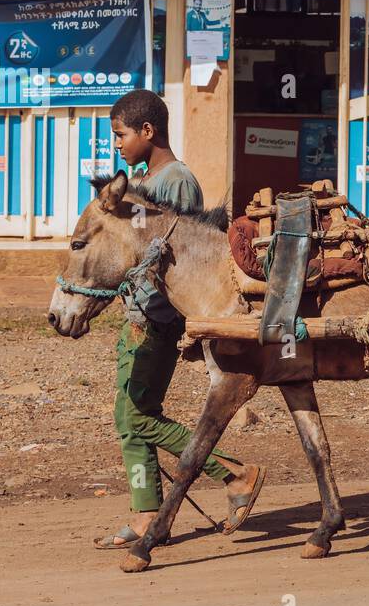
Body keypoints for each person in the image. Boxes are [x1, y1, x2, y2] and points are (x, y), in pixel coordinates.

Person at [93, 90, 267, 548]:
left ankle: (233, 471)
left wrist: (144, 311)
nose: (116, 144)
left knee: (135, 418)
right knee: (132, 417)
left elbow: (178, 264)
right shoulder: (136, 179)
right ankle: (146, 514)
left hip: (157, 320)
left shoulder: (177, 183)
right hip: (138, 315)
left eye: (120, 135)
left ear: (148, 131)